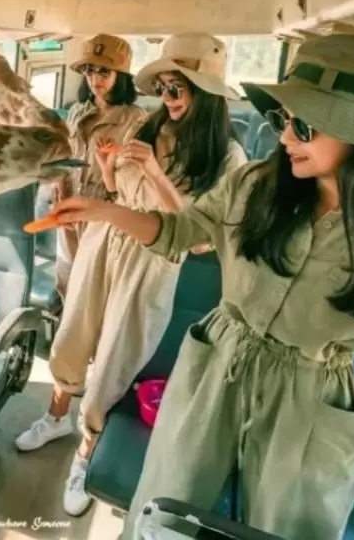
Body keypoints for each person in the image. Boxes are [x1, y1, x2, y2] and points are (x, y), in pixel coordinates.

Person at [50, 34, 354, 540]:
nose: (285, 138)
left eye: (304, 125)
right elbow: (180, 232)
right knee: (164, 510)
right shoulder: (254, 187)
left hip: (312, 393)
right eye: (280, 120)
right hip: (216, 364)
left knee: (290, 529)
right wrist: (101, 209)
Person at [16, 33, 248, 517]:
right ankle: (57, 414)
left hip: (154, 258)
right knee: (73, 335)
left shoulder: (227, 158)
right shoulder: (148, 129)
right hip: (106, 238)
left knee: (118, 356)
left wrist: (159, 177)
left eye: (179, 89)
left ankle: (86, 452)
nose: (169, 99)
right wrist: (108, 165)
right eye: (163, 88)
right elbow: (121, 191)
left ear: (206, 93)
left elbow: (202, 240)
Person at [54, 34, 148, 297]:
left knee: (94, 287)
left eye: (104, 72)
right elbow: (65, 154)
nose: (95, 80)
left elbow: (132, 179)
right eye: (89, 71)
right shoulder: (76, 111)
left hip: (105, 207)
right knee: (66, 280)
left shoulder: (135, 119)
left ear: (121, 75)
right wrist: (61, 188)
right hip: (70, 201)